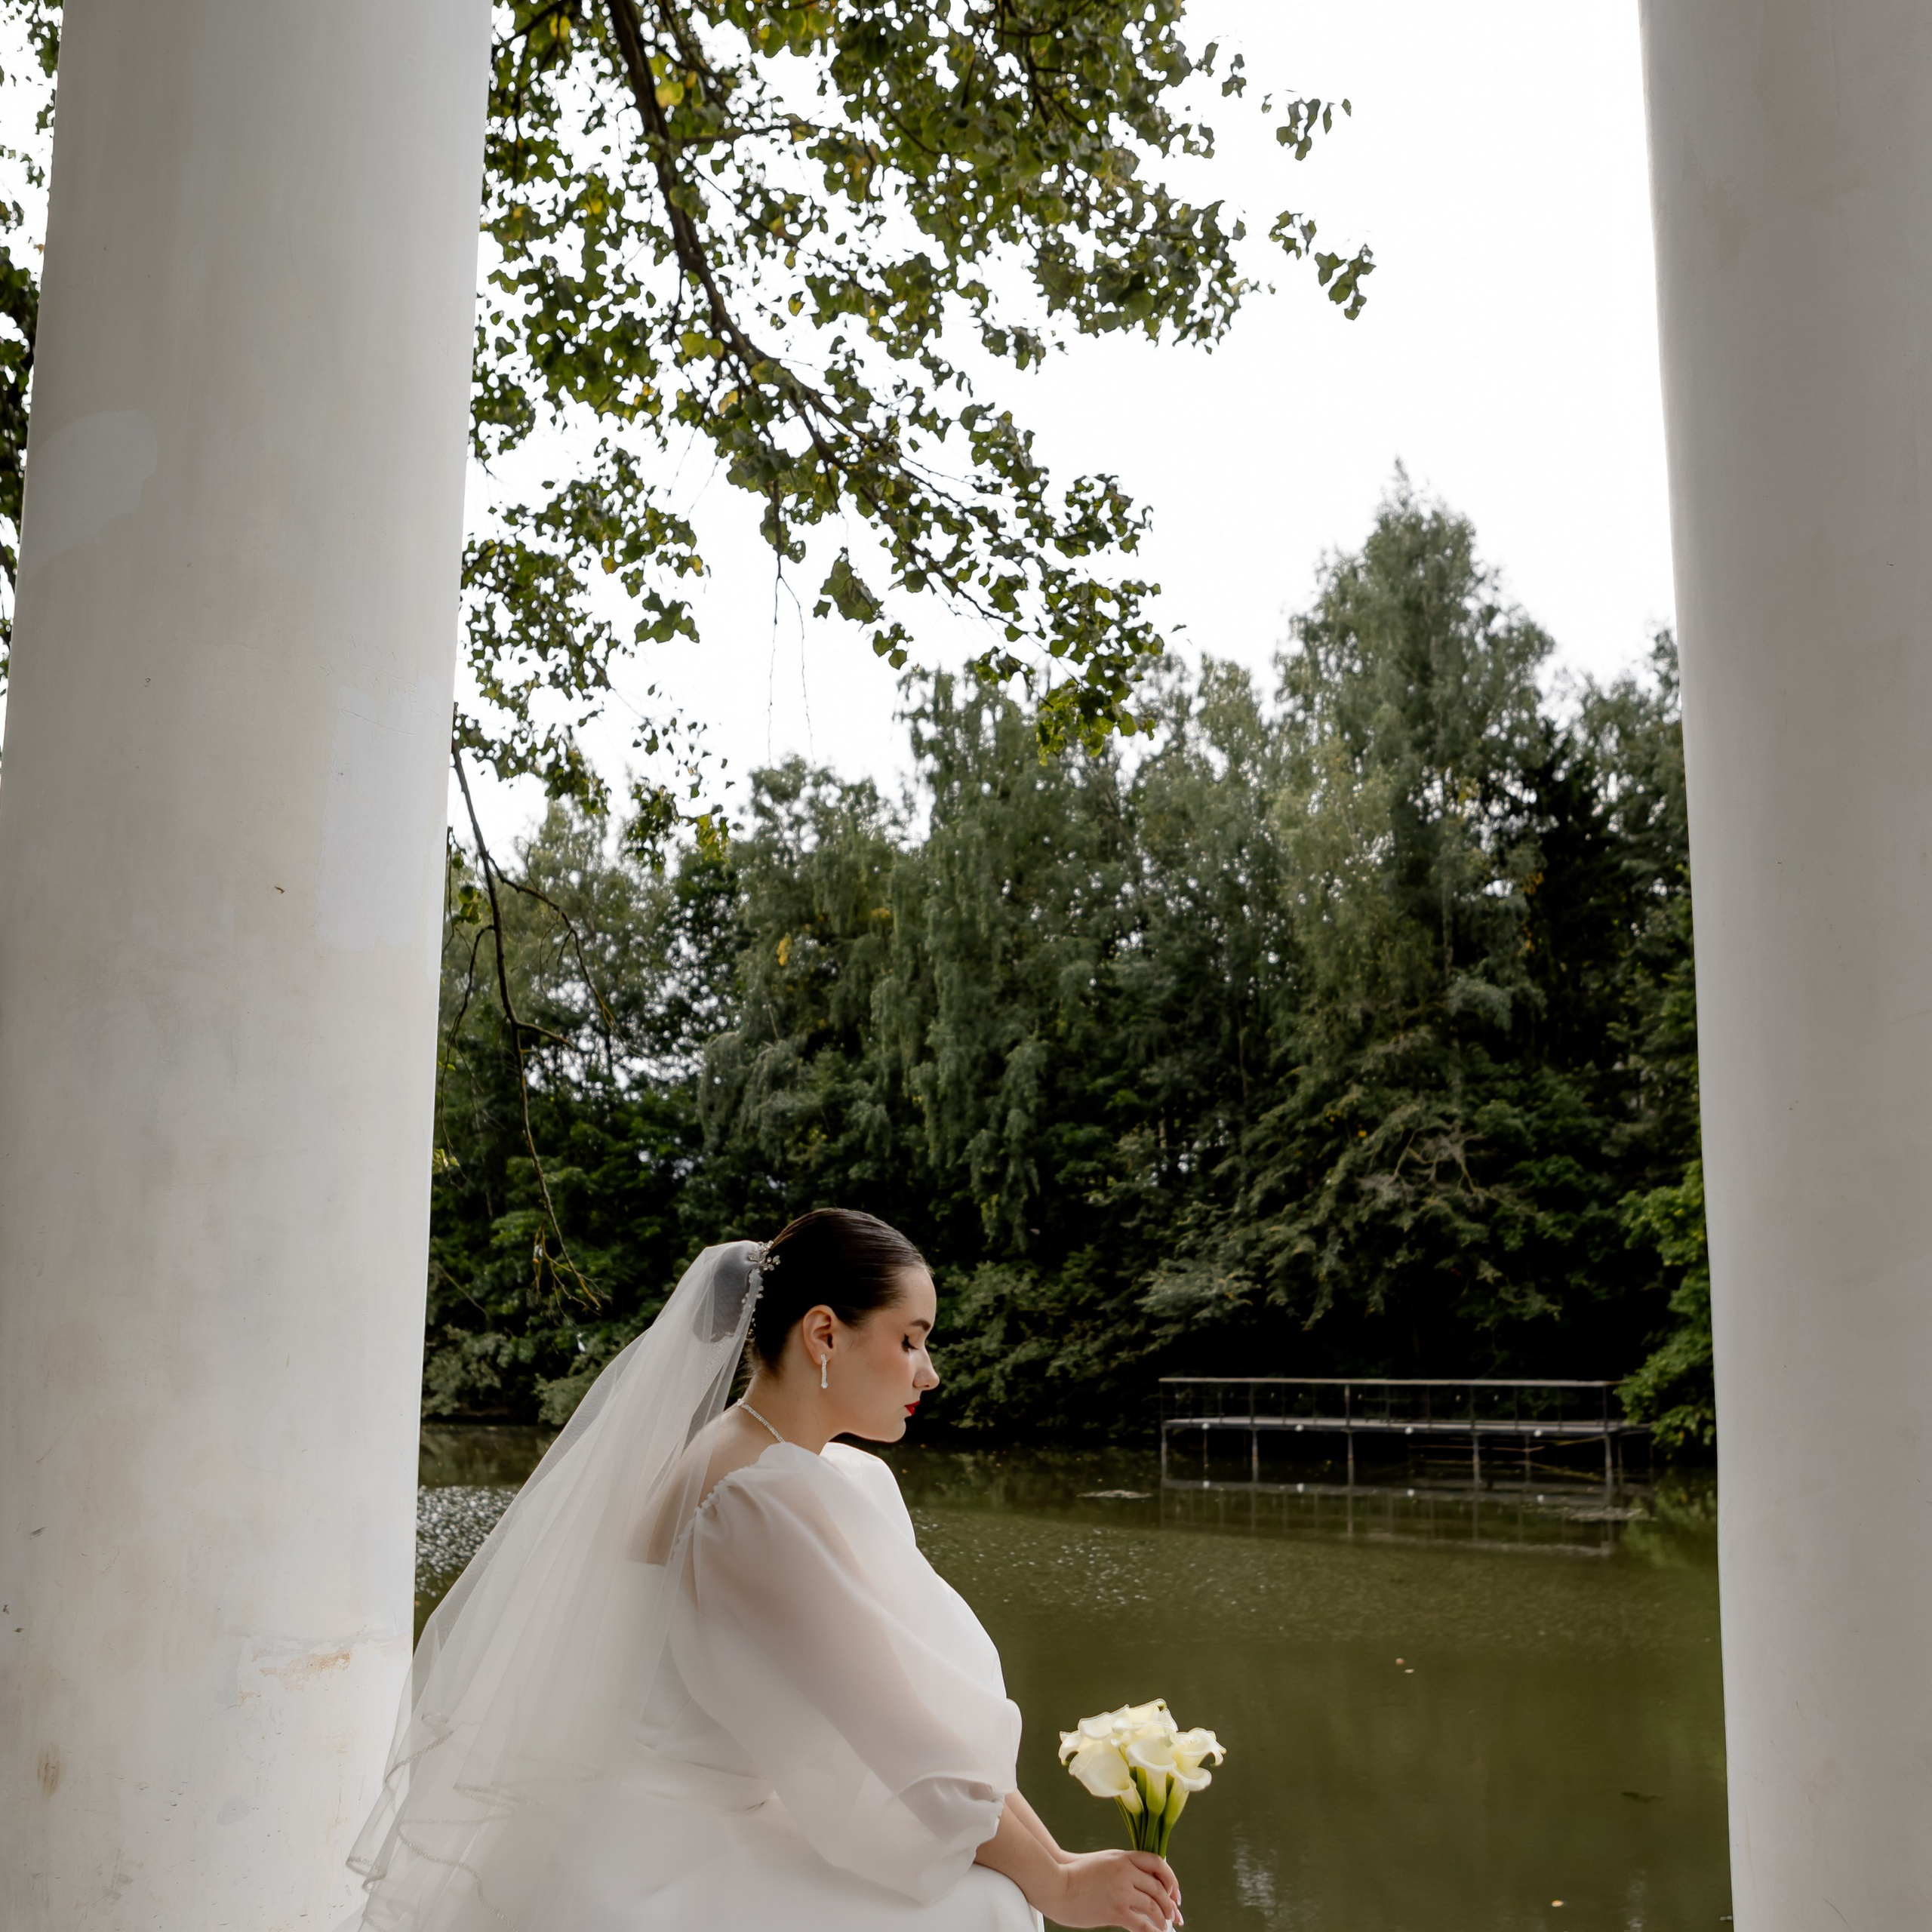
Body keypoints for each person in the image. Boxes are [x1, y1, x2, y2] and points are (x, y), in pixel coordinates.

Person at [343, 1210, 1183, 1932]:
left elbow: (927, 1735)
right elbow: (906, 1734)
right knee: (993, 1906)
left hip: (660, 1818)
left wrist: (1055, 1860)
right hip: (670, 1852)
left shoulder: (764, 1464)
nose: (928, 1371)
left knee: (996, 1886)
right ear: (823, 1333)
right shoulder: (755, 1499)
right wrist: (1057, 1879)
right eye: (910, 1338)